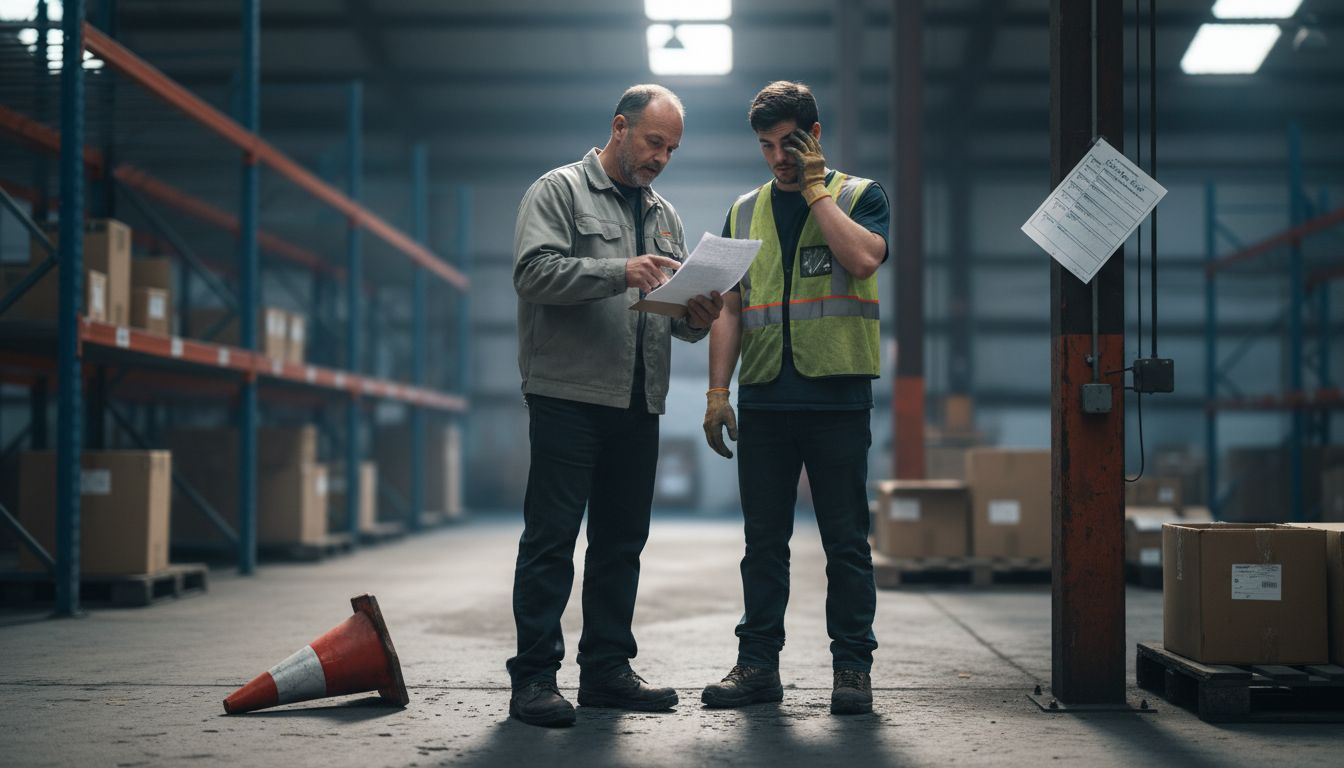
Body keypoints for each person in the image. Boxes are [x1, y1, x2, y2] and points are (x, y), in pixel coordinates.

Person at [508, 84, 724, 728]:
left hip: (639, 400)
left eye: (672, 148)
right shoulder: (558, 191)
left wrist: (699, 315)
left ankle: (605, 672)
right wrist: (618, 270)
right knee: (552, 540)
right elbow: (532, 273)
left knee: (621, 543)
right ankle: (534, 680)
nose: (661, 157)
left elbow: (673, 321)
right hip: (568, 396)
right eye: (654, 142)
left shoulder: (665, 215)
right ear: (619, 127)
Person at [700, 81, 889, 716]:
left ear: (816, 133)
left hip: (836, 396)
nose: (779, 156)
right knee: (763, 543)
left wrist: (815, 190)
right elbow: (729, 306)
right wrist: (717, 390)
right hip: (766, 399)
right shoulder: (741, 211)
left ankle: (852, 670)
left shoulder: (861, 195)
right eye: (767, 146)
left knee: (845, 541)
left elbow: (862, 260)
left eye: (791, 143)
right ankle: (756, 666)